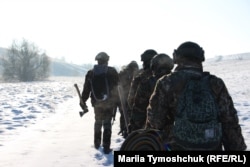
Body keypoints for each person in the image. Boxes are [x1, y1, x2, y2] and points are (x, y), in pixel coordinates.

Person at [147, 41, 247, 151]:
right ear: (201, 58)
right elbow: (229, 122)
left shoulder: (166, 83)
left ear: (176, 58)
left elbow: (155, 121)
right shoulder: (216, 84)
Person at [81, 52, 119, 154]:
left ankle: (97, 144)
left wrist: (83, 100)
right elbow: (118, 88)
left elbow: (86, 89)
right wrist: (118, 101)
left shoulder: (90, 73)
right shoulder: (112, 72)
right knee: (107, 123)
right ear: (107, 60)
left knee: (98, 122)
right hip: (109, 102)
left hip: (96, 102)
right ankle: (106, 147)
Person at [129, 53, 174, 132]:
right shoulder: (180, 82)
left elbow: (138, 109)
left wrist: (134, 129)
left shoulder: (147, 83)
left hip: (153, 132)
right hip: (178, 133)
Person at [118, 61, 139, 137]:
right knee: (127, 115)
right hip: (126, 98)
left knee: (124, 115)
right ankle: (126, 131)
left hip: (125, 98)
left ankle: (125, 131)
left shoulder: (122, 73)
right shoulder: (129, 74)